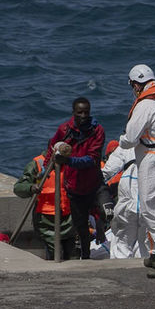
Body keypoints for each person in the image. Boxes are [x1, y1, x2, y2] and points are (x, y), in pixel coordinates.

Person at [117, 64, 155, 278]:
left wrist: (121, 140)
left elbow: (130, 138)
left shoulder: (145, 106)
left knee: (149, 210)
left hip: (153, 162)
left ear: (136, 84)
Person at [45, 97, 104, 259]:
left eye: (86, 112)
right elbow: (52, 147)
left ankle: (101, 233)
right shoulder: (65, 130)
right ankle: (85, 256)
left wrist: (69, 161)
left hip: (94, 184)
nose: (83, 116)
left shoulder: (97, 130)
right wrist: (46, 169)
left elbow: (92, 159)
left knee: (106, 213)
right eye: (80, 113)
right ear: (73, 113)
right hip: (75, 187)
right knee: (81, 226)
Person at [13, 150, 75, 260]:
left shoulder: (71, 162)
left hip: (69, 217)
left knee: (72, 254)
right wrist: (31, 188)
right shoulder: (38, 164)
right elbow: (18, 188)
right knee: (55, 252)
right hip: (46, 219)